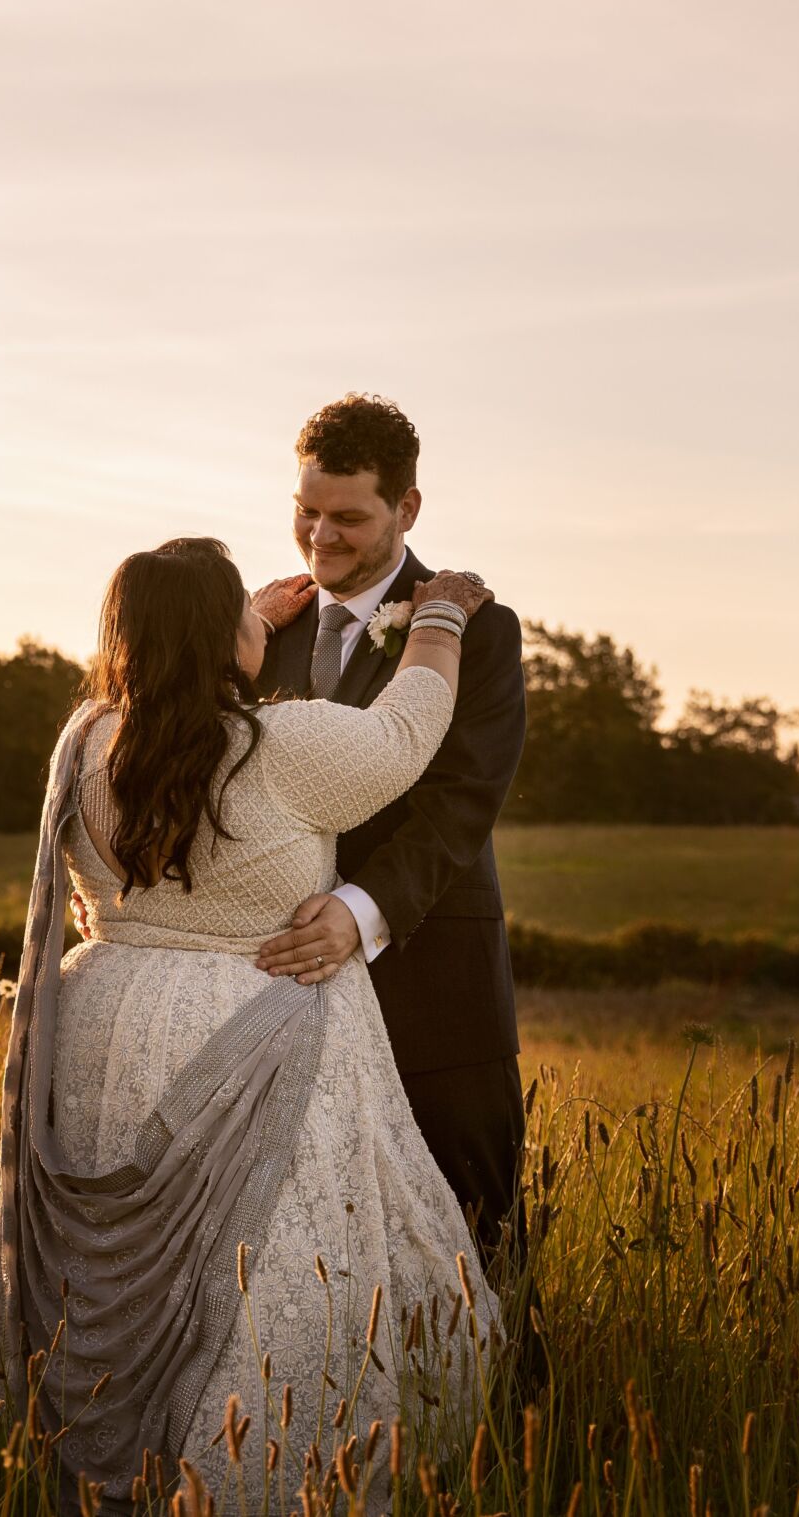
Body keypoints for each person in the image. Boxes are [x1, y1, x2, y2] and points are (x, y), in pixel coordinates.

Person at [0, 534, 501, 1515]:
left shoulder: (85, 736)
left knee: (109, 1274)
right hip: (247, 1020)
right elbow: (406, 732)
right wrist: (437, 618)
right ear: (225, 633)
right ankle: (240, 1477)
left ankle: (105, 1458)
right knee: (264, 1273)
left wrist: (237, 618)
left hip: (105, 1026)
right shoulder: (282, 743)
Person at [247, 394, 529, 1275]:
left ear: (407, 508)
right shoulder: (264, 629)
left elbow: (460, 804)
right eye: (306, 511)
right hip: (287, 992)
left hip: (434, 989)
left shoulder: (478, 629)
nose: (320, 537)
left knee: (474, 1253)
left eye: (348, 517)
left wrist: (358, 911)